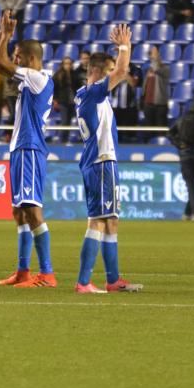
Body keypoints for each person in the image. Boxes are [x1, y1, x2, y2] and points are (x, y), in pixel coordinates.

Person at [74, 24, 143, 294]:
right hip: (102, 162)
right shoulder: (93, 93)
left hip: (98, 161)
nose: (116, 73)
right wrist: (124, 46)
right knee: (98, 221)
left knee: (110, 219)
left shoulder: (84, 95)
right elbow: (123, 71)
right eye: (110, 68)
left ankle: (113, 280)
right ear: (98, 71)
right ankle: (83, 282)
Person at [0, 12, 57, 287]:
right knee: (19, 211)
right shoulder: (30, 81)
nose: (14, 59)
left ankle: (47, 273)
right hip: (20, 148)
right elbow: (2, 64)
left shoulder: (36, 77)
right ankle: (23, 271)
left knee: (32, 210)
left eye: (18, 55)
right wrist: (3, 35)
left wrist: (5, 35)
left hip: (30, 149)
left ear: (31, 59)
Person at [52, 57, 81, 143]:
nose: (68, 65)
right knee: (64, 121)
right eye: (66, 63)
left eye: (69, 63)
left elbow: (78, 87)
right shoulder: (58, 75)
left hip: (73, 102)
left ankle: (66, 140)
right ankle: (62, 141)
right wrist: (55, 100)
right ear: (62, 65)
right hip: (62, 101)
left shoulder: (75, 74)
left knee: (69, 122)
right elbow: (53, 89)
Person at [142, 46, 170, 127]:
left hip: (160, 105)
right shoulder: (148, 70)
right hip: (148, 104)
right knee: (148, 129)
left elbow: (156, 69)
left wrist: (155, 58)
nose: (152, 57)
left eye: (155, 54)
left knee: (160, 129)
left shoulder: (165, 69)